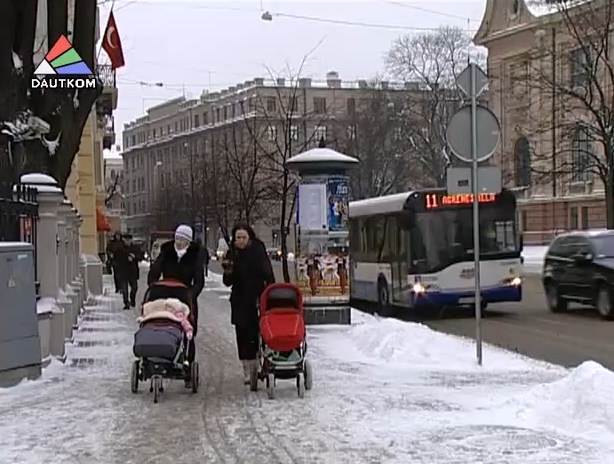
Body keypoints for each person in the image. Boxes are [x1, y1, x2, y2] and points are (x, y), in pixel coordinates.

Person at [147, 224, 204, 387]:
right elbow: (155, 272)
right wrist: (154, 285)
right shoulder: (166, 253)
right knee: (162, 325)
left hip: (186, 297)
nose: (179, 242)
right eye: (177, 239)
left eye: (183, 240)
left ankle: (187, 364)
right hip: (165, 296)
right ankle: (160, 356)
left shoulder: (194, 256)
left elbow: (199, 281)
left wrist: (191, 295)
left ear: (188, 242)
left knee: (188, 331)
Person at [222, 223, 275, 385]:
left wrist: (270, 291)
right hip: (239, 299)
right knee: (243, 334)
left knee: (259, 332)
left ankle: (260, 363)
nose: (241, 240)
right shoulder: (232, 254)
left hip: (258, 297)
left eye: (244, 237)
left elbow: (268, 272)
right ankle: (247, 368)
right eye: (238, 237)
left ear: (250, 237)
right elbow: (227, 282)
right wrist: (228, 270)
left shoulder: (258, 250)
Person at [114, 234, 143, 309]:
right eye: (126, 240)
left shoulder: (135, 248)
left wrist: (134, 257)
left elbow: (140, 257)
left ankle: (132, 299)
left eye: (129, 240)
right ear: (123, 240)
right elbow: (116, 259)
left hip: (133, 272)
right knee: (124, 289)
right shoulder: (120, 249)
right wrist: (125, 259)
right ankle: (126, 303)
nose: (128, 242)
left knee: (134, 288)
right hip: (123, 271)